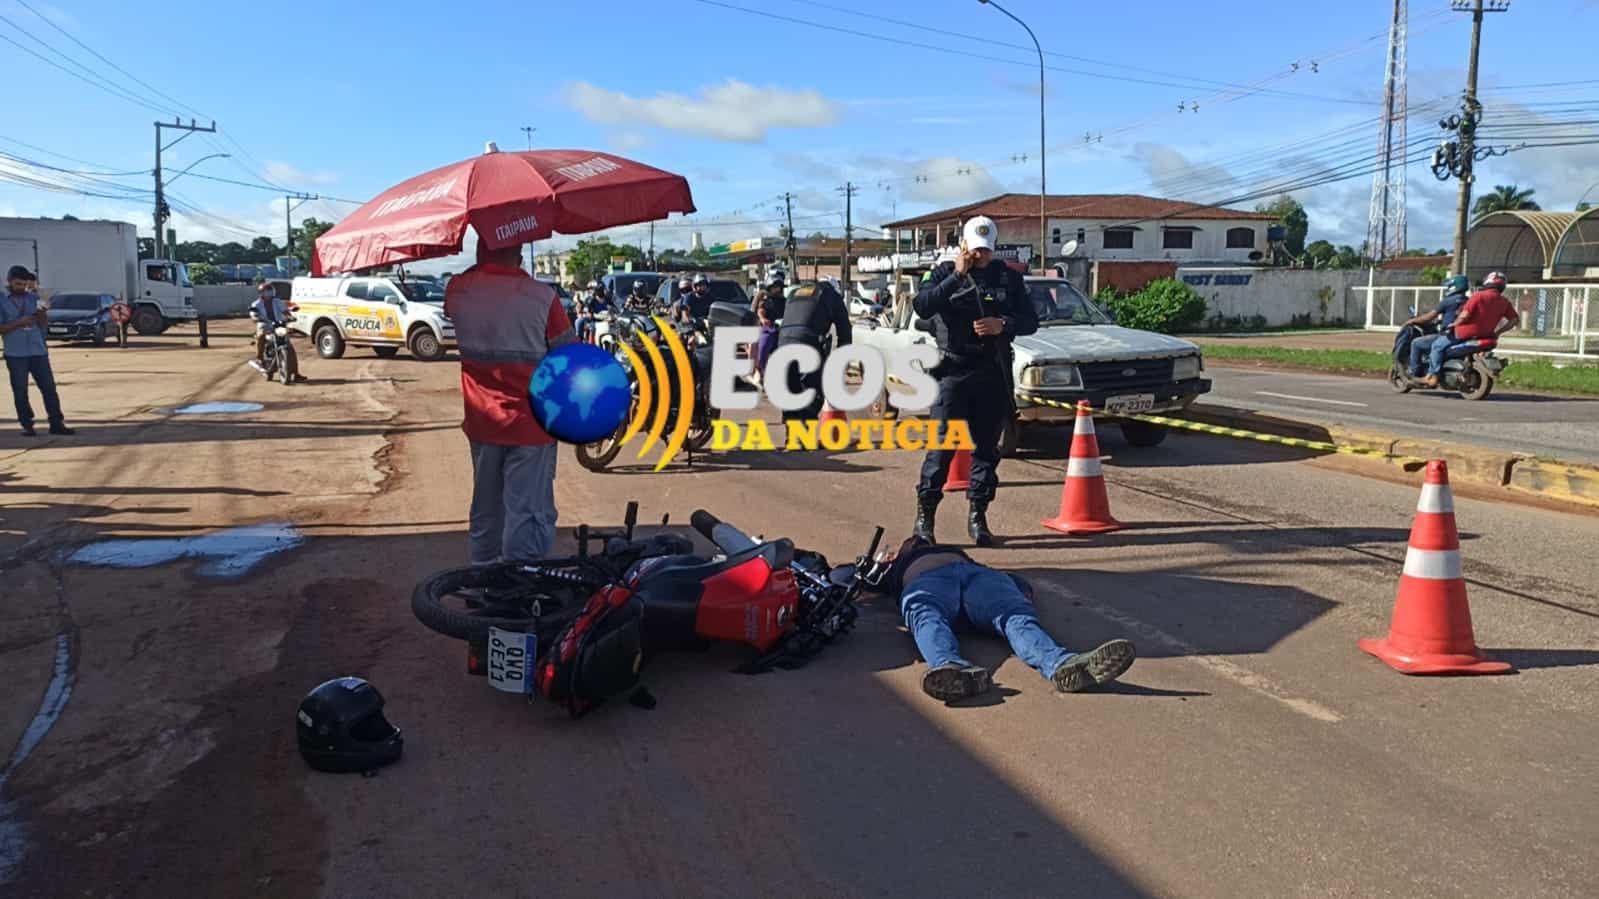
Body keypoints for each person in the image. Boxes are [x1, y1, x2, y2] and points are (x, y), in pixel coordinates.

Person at [865, 534, 1136, 702]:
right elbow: (844, 579)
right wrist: (875, 566)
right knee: (926, 616)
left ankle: (1062, 664)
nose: (915, 539)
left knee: (1015, 615)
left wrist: (1018, 591)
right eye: (910, 541)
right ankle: (952, 671)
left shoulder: (950, 552)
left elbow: (1018, 586)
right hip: (929, 584)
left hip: (978, 578)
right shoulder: (890, 568)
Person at [445, 237, 576, 563]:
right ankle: (521, 586)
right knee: (528, 511)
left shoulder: (458, 289)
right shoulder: (542, 297)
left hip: (482, 422)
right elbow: (567, 355)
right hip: (532, 426)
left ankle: (483, 577)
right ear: (519, 254)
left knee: (486, 506)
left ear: (480, 250)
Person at [910, 216, 1038, 546]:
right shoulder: (942, 273)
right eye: (976, 250)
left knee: (986, 452)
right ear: (964, 245)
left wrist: (1003, 323)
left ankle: (978, 517)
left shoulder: (1007, 277)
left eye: (986, 251)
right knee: (941, 451)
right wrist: (958, 274)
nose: (982, 257)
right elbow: (922, 307)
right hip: (952, 373)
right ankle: (925, 520)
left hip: (991, 373)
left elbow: (1031, 321)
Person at [1, 265, 73, 437]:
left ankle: (56, 423)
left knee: (49, 388)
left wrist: (42, 313)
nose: (21, 288)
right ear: (9, 281)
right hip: (15, 353)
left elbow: (42, 324)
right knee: (20, 390)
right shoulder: (2, 301)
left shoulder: (33, 298)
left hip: (38, 351)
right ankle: (27, 425)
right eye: (18, 284)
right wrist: (20, 323)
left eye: (24, 284)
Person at [774, 280, 852, 420]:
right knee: (811, 396)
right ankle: (803, 439)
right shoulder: (832, 295)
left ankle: (792, 438)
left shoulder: (795, 293)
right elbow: (844, 329)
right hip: (806, 343)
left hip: (783, 343)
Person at [1426, 271, 1519, 387]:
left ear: (1488, 282)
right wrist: (1498, 332)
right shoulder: (1504, 302)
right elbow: (1515, 320)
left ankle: (1432, 375)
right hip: (1487, 336)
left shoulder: (1478, 296)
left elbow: (1465, 315)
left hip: (1463, 335)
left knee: (1437, 346)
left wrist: (1454, 323)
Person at [1402, 275, 1471, 380]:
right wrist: (1440, 321)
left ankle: (1416, 372)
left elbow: (1429, 317)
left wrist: (1412, 320)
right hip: (1464, 335)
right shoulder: (1468, 301)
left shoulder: (1448, 301)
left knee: (1416, 343)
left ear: (1454, 287)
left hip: (1450, 335)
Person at [249, 282, 305, 381]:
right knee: (260, 335)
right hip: (265, 325)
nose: (269, 294)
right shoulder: (256, 304)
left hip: (278, 325)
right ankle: (260, 358)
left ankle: (295, 374)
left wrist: (290, 316)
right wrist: (256, 318)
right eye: (266, 292)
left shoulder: (277, 301)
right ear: (261, 293)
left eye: (270, 291)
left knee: (290, 348)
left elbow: (285, 311)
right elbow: (253, 314)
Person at [753, 270, 785, 378]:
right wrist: (763, 319)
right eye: (774, 287)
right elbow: (760, 311)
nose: (776, 289)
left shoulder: (786, 301)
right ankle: (760, 369)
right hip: (770, 329)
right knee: (764, 343)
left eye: (778, 287)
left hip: (784, 330)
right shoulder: (766, 300)